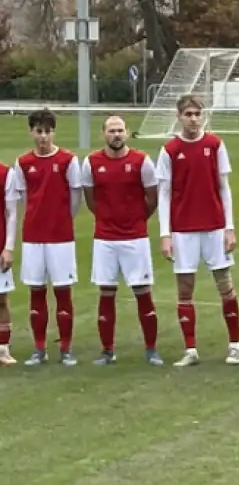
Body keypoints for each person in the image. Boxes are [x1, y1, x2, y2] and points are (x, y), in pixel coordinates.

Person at [156, 93, 239, 366]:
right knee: (185, 289)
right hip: (183, 230)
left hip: (215, 227)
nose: (193, 119)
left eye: (197, 114)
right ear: (179, 116)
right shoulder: (169, 150)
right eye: (188, 114)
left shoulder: (215, 145)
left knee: (225, 286)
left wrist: (229, 228)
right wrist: (165, 234)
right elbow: (164, 194)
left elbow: (224, 188)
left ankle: (235, 345)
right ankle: (190, 349)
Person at [81, 115, 162, 366]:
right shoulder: (91, 162)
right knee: (106, 292)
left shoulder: (142, 161)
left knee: (142, 291)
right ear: (103, 134)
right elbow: (90, 199)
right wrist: (107, 219)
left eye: (120, 130)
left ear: (126, 133)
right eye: (111, 131)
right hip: (105, 239)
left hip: (135, 237)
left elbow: (152, 199)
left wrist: (136, 220)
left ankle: (151, 349)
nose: (116, 135)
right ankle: (108, 351)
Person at [7, 109, 82, 366]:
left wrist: (61, 221)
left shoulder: (68, 161)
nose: (43, 137)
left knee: (63, 291)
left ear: (54, 132)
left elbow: (75, 199)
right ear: (31, 133)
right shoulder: (23, 163)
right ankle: (39, 349)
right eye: (39, 131)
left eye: (48, 131)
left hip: (61, 237)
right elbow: (25, 199)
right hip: (33, 238)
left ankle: (66, 348)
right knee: (36, 291)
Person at [0, 156, 17, 365]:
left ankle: (3, 348)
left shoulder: (6, 173)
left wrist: (9, 247)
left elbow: (12, 213)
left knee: (1, 300)